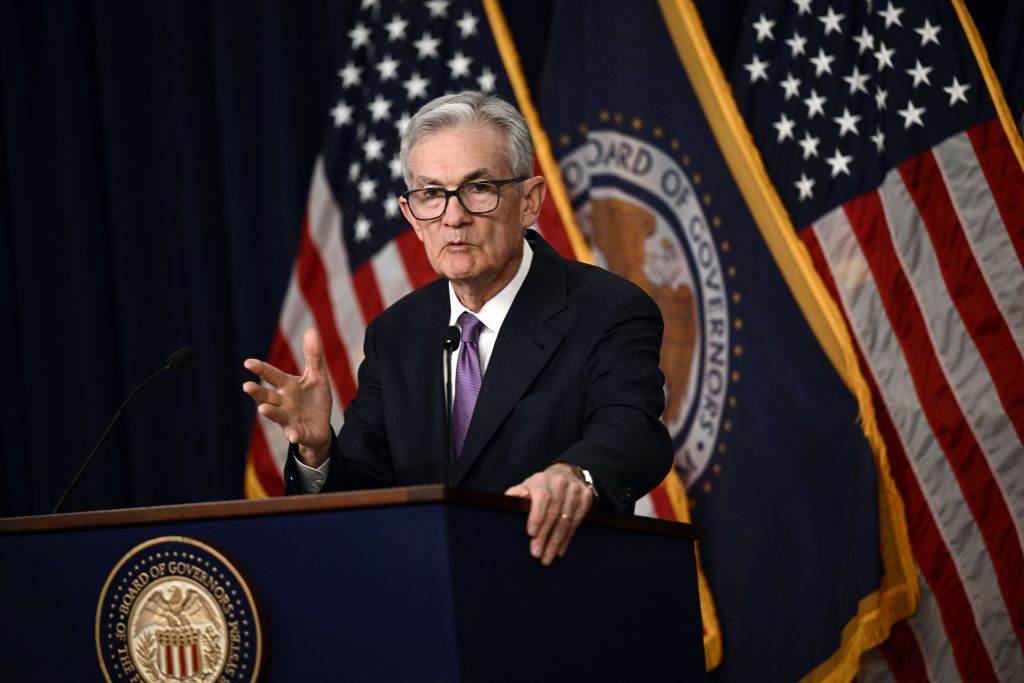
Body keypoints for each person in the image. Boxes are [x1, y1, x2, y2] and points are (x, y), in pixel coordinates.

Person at [243, 91, 673, 566]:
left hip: (555, 597)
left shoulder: (606, 309)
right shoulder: (397, 333)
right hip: (426, 603)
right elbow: (367, 492)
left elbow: (633, 428)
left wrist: (575, 475)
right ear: (412, 215)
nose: (453, 216)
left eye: (479, 188)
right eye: (431, 194)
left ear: (529, 201)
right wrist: (318, 450)